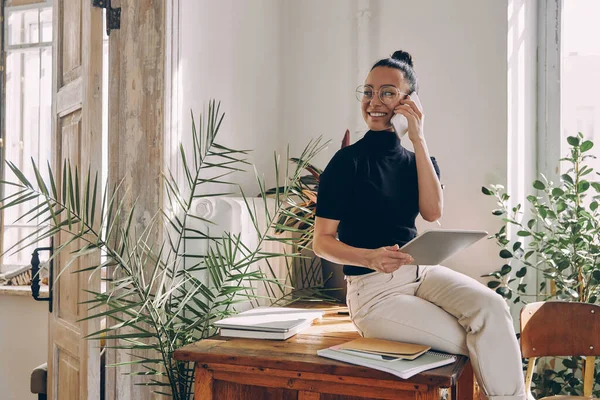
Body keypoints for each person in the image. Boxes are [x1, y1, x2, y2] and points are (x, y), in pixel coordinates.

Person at [313, 50, 526, 399]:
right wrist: (369, 257)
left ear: (409, 102)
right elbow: (321, 241)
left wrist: (418, 137)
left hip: (421, 273)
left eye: (387, 92)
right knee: (475, 342)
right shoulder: (346, 162)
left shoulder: (418, 159)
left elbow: (432, 211)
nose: (374, 101)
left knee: (493, 310)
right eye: (368, 91)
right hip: (374, 292)